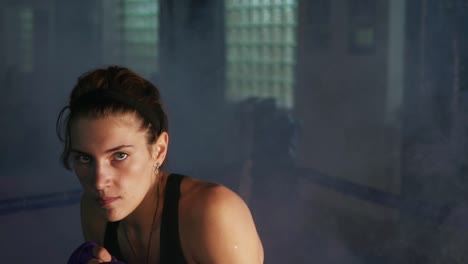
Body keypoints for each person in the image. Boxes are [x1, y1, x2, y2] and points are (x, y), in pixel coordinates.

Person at [57, 66, 264, 264]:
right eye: (85, 159)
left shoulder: (214, 213)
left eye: (119, 155)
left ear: (159, 150)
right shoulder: (95, 210)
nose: (100, 182)